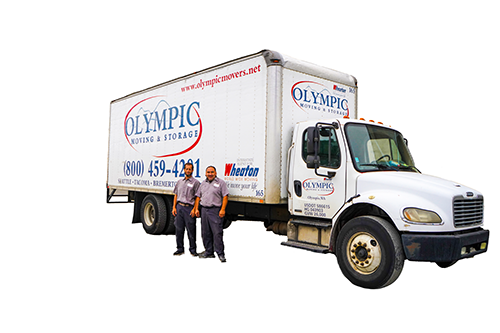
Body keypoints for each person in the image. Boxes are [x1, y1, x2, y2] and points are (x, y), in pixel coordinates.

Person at [194, 165, 229, 263]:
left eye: (212, 172)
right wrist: (196, 208)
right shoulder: (203, 184)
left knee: (217, 233)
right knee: (205, 232)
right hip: (204, 210)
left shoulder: (220, 183)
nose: (210, 174)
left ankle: (220, 254)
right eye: (208, 172)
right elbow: (198, 196)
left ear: (215, 173)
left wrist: (222, 209)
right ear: (205, 173)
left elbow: (225, 196)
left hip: (215, 210)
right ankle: (209, 252)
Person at [172, 162, 200, 257]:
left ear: (192, 170)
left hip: (189, 208)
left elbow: (197, 197)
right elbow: (176, 194)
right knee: (179, 229)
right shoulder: (180, 181)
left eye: (190, 169)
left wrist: (195, 209)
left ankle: (193, 250)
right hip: (179, 207)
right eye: (186, 169)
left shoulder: (196, 183)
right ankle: (180, 249)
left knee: (191, 230)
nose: (188, 170)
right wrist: (174, 207)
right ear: (184, 170)